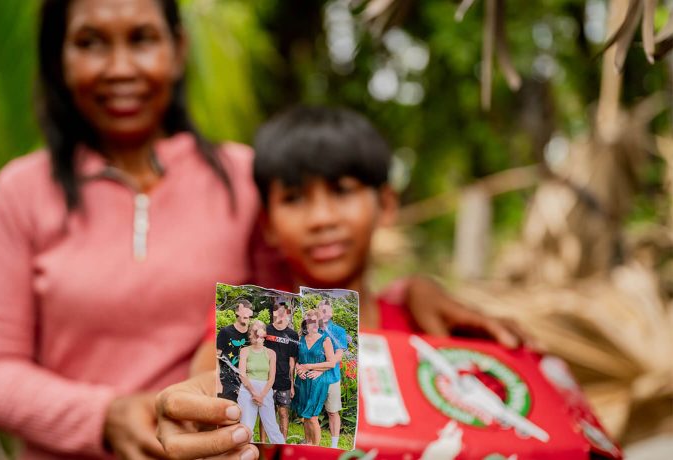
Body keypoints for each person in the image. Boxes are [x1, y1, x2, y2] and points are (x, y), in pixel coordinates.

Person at [0, 1, 262, 459]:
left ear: (178, 50)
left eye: (141, 39)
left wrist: (407, 295)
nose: (119, 68)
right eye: (90, 42)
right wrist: (104, 416)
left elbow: (311, 306)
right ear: (59, 58)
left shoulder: (246, 179)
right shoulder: (21, 191)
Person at [156, 105, 535, 458]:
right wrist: (207, 406)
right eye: (294, 198)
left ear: (386, 205)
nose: (321, 218)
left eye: (342, 191)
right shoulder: (248, 321)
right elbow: (209, 379)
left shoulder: (428, 322)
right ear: (268, 225)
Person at [292, 308, 337, 446]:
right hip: (303, 381)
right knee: (304, 416)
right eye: (310, 321)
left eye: (316, 321)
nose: (313, 324)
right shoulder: (301, 339)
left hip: (317, 382)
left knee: (312, 417)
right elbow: (298, 360)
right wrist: (299, 369)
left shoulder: (325, 340)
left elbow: (331, 363)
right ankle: (308, 442)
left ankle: (316, 448)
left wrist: (309, 367)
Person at [236, 320, 285, 444]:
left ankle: (281, 450)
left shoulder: (271, 353)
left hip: (265, 390)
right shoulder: (244, 351)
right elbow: (242, 375)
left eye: (260, 330)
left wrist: (261, 395)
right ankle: (247, 452)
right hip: (248, 390)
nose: (257, 334)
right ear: (251, 333)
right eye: (255, 331)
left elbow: (271, 378)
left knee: (271, 425)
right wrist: (254, 393)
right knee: (246, 425)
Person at [259, 300, 299, 441]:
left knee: (283, 413)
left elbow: (292, 362)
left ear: (288, 314)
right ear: (274, 313)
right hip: (266, 379)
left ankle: (282, 443)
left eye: (284, 312)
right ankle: (263, 442)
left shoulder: (293, 335)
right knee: (266, 413)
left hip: (284, 380)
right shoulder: (266, 331)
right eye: (278, 312)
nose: (281, 315)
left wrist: (292, 384)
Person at [313, 300, 347, 449]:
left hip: (332, 378)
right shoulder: (313, 330)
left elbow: (339, 355)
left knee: (332, 412)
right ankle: (312, 442)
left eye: (326, 311)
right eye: (321, 311)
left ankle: (334, 446)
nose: (324, 314)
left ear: (331, 313)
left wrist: (324, 367)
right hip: (314, 378)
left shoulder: (339, 331)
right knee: (311, 413)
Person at [217, 300, 254, 402]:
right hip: (227, 381)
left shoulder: (253, 335)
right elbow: (216, 357)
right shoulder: (225, 332)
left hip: (246, 382)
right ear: (237, 312)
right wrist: (217, 382)